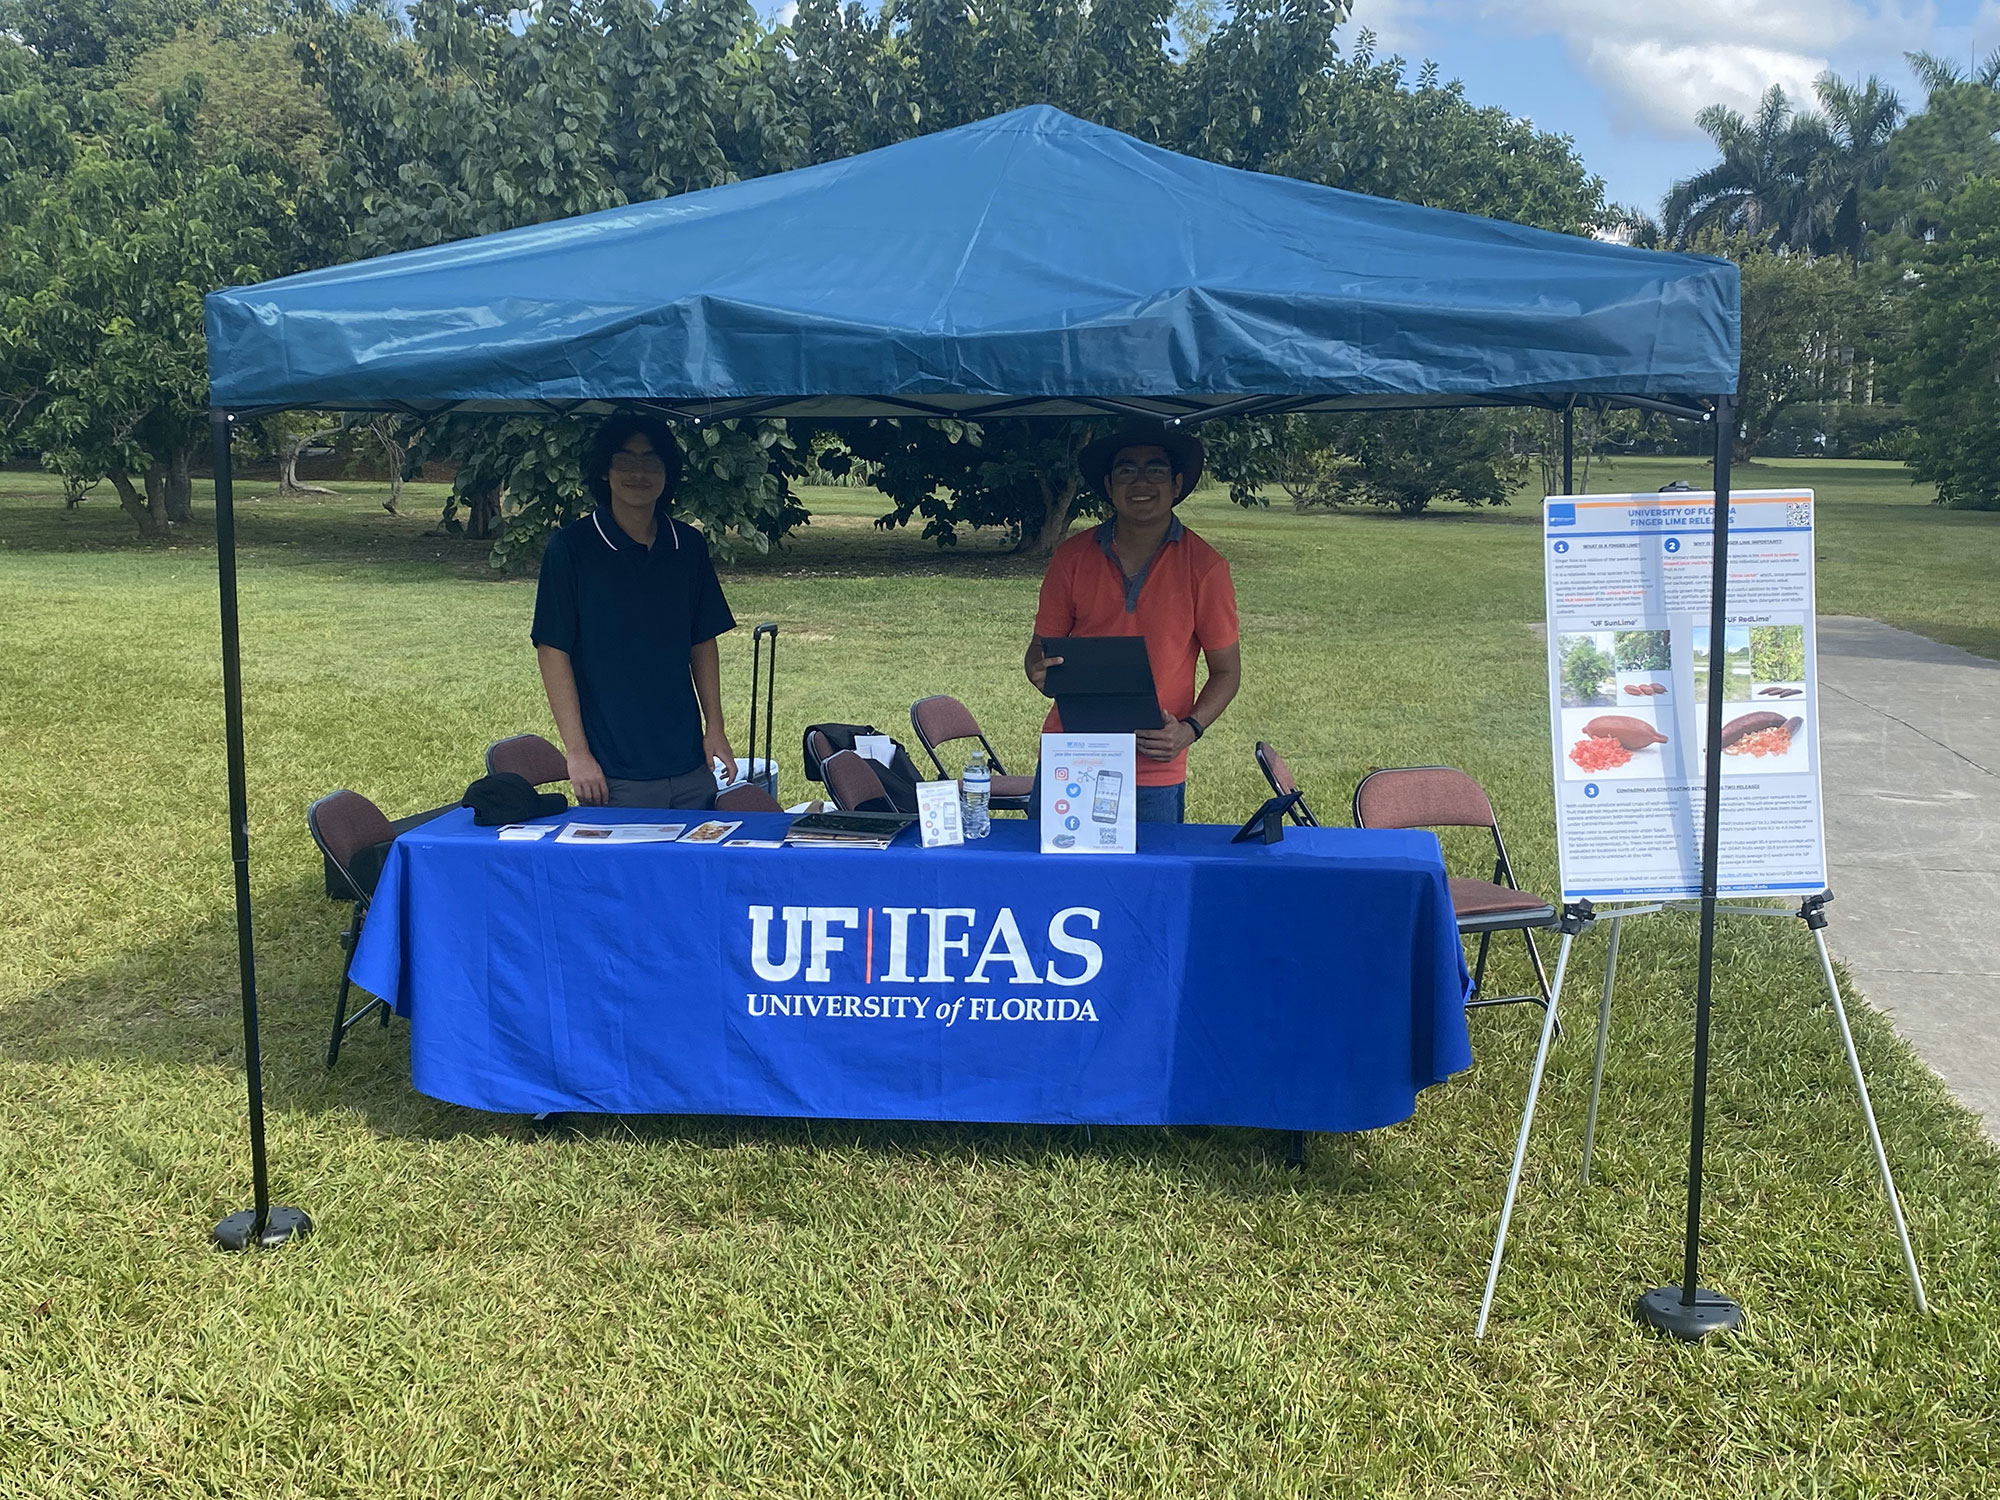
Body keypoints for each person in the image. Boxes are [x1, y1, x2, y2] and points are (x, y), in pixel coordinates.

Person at [1023, 419, 1241, 823]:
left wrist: (1189, 730)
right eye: (1127, 470)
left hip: (1153, 763)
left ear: (1176, 484)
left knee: (1151, 885)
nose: (1141, 482)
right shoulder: (1072, 556)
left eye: (1155, 470)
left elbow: (1226, 671)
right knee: (1054, 882)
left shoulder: (1206, 566)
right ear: (1109, 485)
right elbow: (1039, 649)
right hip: (1071, 754)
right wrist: (1038, 669)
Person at [531, 414, 736, 809]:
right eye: (625, 460)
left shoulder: (688, 546)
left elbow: (702, 640)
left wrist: (716, 728)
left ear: (667, 473)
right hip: (612, 771)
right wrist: (577, 753)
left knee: (697, 870)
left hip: (691, 764)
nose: (638, 472)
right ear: (605, 472)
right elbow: (552, 650)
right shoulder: (571, 548)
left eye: (651, 461)